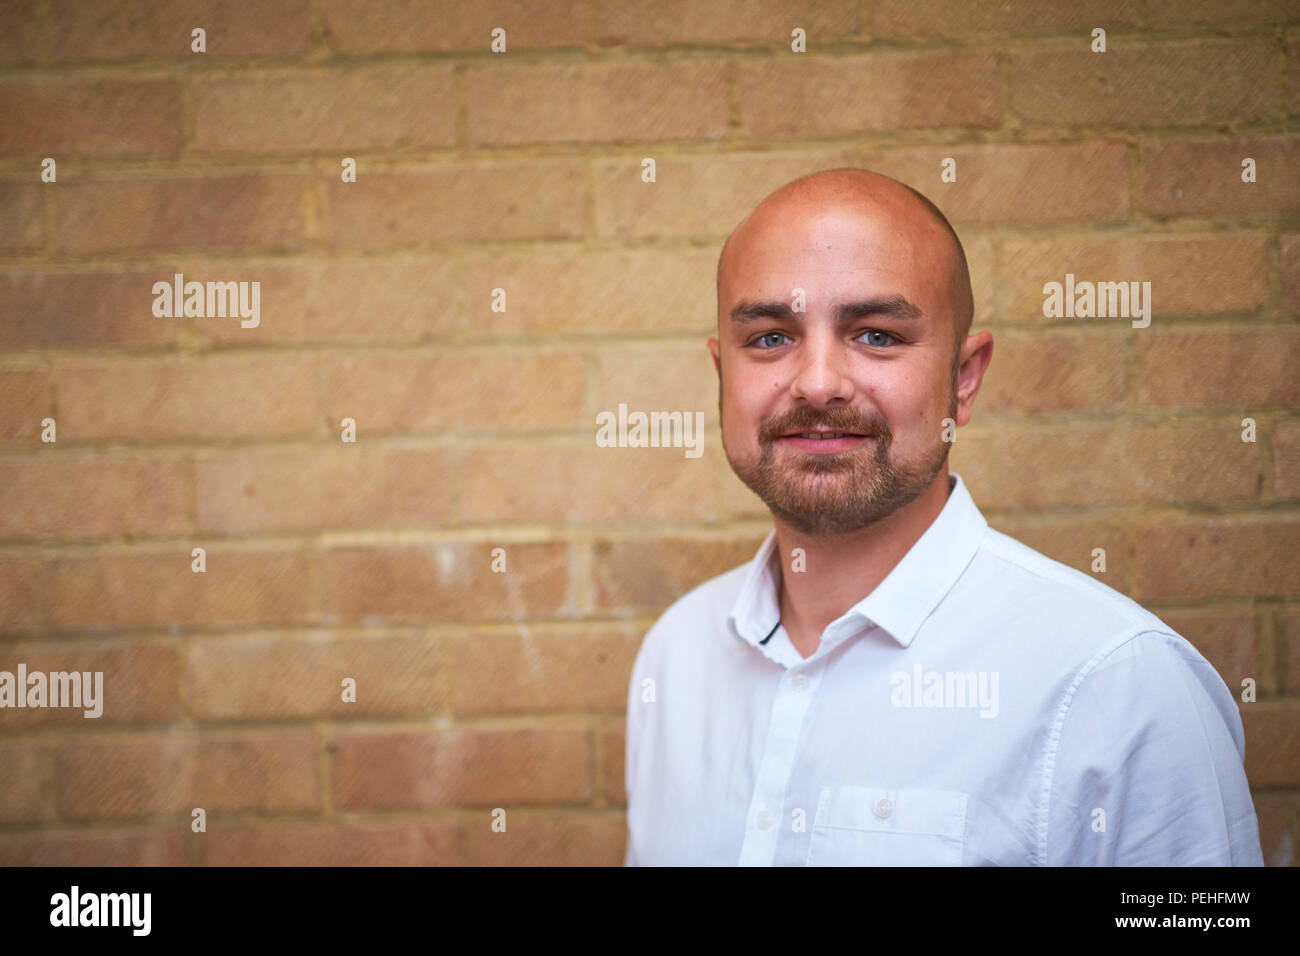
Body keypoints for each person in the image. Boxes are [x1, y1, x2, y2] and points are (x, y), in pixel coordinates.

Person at [623, 168, 1264, 866]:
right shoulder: (675, 656)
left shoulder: (1121, 686)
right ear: (723, 375)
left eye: (875, 334)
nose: (816, 383)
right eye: (771, 338)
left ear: (965, 378)